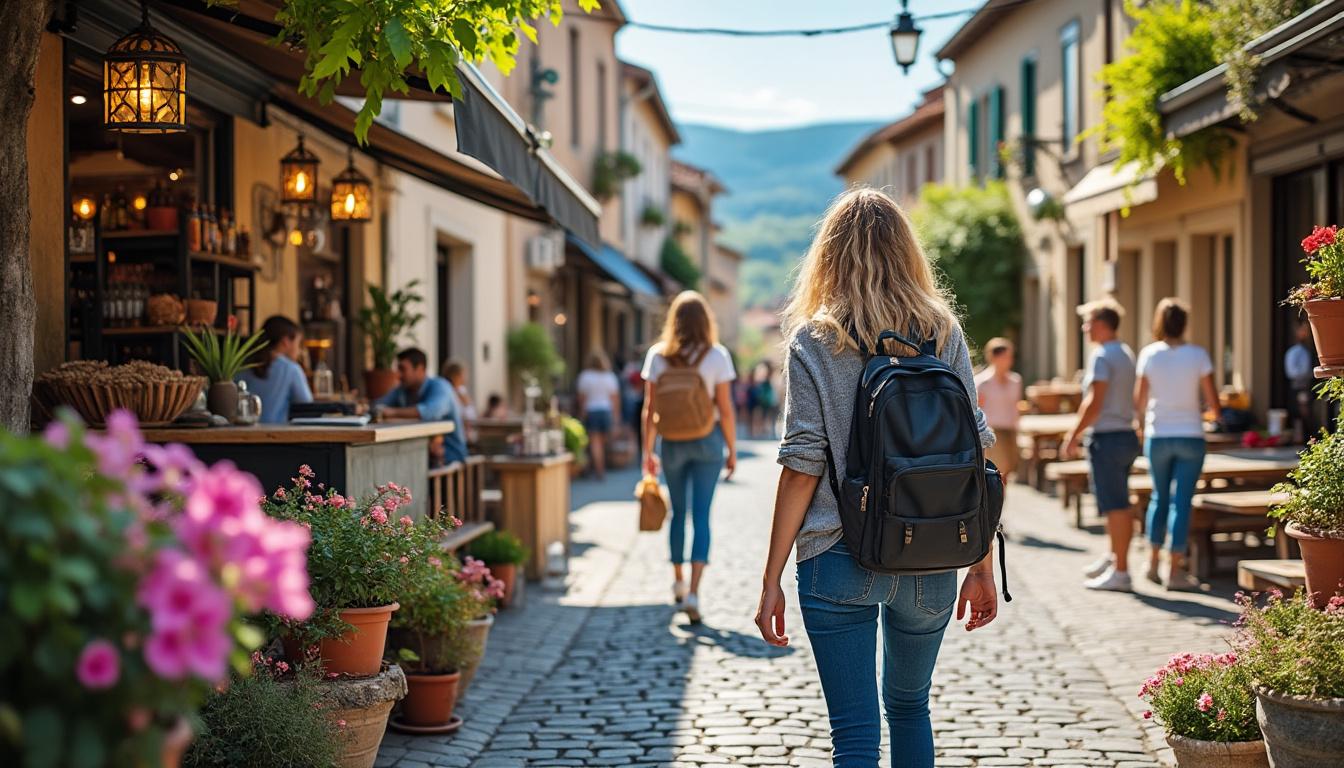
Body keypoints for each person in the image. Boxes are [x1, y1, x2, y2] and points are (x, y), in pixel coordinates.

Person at [755, 188, 998, 767]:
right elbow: (977, 452)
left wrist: (771, 579)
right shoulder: (942, 331)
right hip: (933, 551)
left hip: (837, 553)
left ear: (829, 256)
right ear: (906, 252)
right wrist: (981, 563)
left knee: (856, 734)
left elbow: (801, 466)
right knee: (911, 708)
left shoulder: (815, 339)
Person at [642, 291, 737, 623]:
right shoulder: (717, 356)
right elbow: (724, 409)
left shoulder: (657, 356)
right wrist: (731, 450)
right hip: (707, 440)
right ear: (705, 321)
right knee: (702, 517)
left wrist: (647, 453)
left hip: (671, 443)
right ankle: (695, 592)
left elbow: (649, 410)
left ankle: (678, 582)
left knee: (677, 514)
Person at [1135, 299, 1219, 591]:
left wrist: (1143, 425)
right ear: (1184, 323)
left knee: (1159, 498)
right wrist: (1202, 413)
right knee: (1181, 502)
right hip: (1191, 435)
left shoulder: (1149, 354)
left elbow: (1140, 402)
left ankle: (1151, 562)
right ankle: (1175, 571)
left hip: (1158, 434)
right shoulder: (1198, 355)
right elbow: (1214, 405)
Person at [1063, 299, 1141, 592]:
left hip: (1107, 437)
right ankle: (1114, 558)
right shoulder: (1124, 352)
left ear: (1100, 324)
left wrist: (1073, 434)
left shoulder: (1101, 356)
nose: (1084, 328)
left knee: (1115, 506)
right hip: (1124, 435)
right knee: (1118, 502)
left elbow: (1094, 401)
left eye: (1087, 322)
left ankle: (1121, 571)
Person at [375, 348, 467, 466]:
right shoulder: (402, 390)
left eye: (403, 369)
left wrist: (391, 412)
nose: (398, 375)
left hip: (451, 458)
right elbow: (378, 405)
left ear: (420, 368)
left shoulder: (440, 386)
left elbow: (429, 411)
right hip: (421, 455)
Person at [236, 315, 312, 424]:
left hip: (240, 434)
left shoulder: (243, 365)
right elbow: (306, 404)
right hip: (276, 436)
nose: (299, 351)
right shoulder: (291, 369)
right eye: (298, 344)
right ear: (285, 341)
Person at [975, 338, 1023, 482]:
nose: (1009, 361)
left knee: (1008, 473)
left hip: (1011, 431)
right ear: (994, 357)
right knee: (997, 473)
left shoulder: (1016, 380)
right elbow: (977, 410)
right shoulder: (982, 382)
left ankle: (1001, 503)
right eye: (1005, 357)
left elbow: (1016, 406)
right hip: (993, 431)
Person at [576, 349, 622, 480]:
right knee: (601, 442)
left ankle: (598, 469)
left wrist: (581, 414)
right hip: (606, 411)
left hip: (592, 411)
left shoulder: (585, 376)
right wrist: (616, 418)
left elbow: (582, 399)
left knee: (595, 443)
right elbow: (615, 400)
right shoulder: (609, 377)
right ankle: (600, 467)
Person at [1285, 320, 1316, 440]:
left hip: (1307, 386)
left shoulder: (1307, 350)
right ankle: (1303, 442)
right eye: (1303, 330)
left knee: (1307, 415)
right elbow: (1292, 372)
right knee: (1302, 415)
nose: (1306, 333)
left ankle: (1307, 442)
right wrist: (1307, 374)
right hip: (1300, 387)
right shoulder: (1295, 352)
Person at [442, 359, 478, 445]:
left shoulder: (462, 390)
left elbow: (470, 413)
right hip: (452, 437)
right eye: (463, 374)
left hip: (465, 435)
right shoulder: (445, 391)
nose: (465, 378)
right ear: (454, 376)